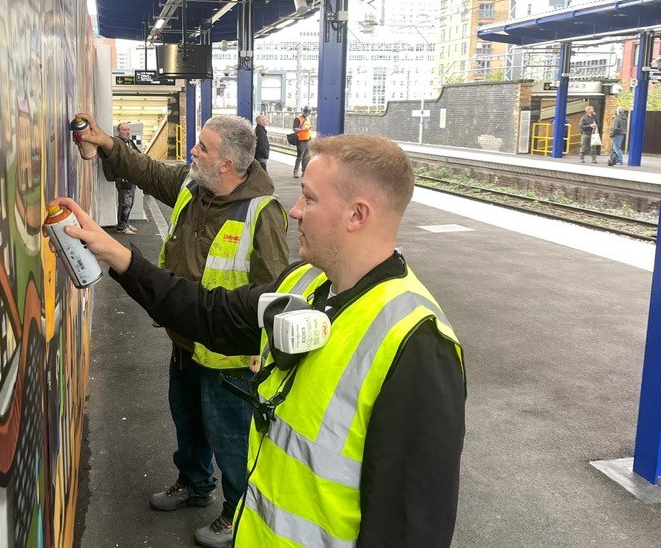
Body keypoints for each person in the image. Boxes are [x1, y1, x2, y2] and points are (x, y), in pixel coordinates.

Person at [53, 133, 467, 547]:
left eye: (310, 198)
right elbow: (206, 312)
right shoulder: (303, 284)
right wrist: (116, 255)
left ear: (357, 215)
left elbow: (412, 529)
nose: (296, 210)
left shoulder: (417, 344)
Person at [72, 112, 290, 548]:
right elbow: (149, 173)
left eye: (203, 147)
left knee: (230, 439)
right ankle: (194, 484)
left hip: (229, 357)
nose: (193, 151)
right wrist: (109, 143)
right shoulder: (196, 187)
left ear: (226, 164)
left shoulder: (261, 213)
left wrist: (265, 350)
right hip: (185, 338)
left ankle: (236, 514)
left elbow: (275, 290)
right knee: (187, 421)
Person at [115, 122, 139, 234]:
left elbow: (138, 154)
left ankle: (126, 222)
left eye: (128, 130)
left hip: (131, 176)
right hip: (123, 177)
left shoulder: (129, 142)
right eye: (125, 130)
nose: (128, 132)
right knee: (125, 202)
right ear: (119, 131)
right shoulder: (117, 143)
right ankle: (121, 226)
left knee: (130, 202)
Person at [292, 106, 312, 178]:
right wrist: (303, 130)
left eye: (308, 113)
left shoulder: (308, 119)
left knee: (306, 157)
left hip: (308, 139)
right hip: (301, 140)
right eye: (306, 113)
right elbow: (295, 129)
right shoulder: (298, 119)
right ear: (303, 112)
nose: (307, 114)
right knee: (300, 156)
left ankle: (304, 171)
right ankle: (296, 171)